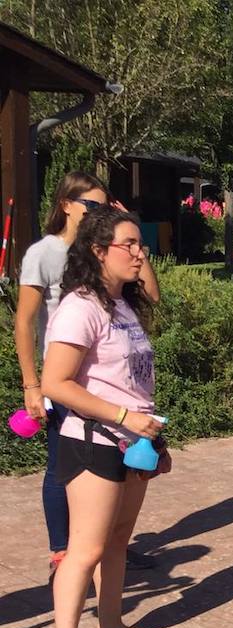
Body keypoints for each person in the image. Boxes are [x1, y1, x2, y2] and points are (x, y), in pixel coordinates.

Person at [40, 207, 168, 628]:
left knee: (117, 542)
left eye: (141, 245)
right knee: (85, 549)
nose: (139, 254)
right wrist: (121, 417)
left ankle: (111, 625)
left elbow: (128, 381)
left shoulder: (123, 304)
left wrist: (150, 432)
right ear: (99, 252)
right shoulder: (81, 306)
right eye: (129, 245)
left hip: (133, 441)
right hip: (92, 441)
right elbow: (57, 382)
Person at [15, 174, 161, 582]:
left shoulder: (116, 252)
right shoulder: (44, 253)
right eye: (90, 206)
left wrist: (127, 233)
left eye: (104, 206)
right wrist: (31, 384)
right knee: (62, 467)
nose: (97, 212)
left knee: (112, 474)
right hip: (66, 375)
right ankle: (63, 552)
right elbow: (24, 321)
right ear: (65, 204)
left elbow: (151, 295)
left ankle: (108, 547)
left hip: (104, 374)